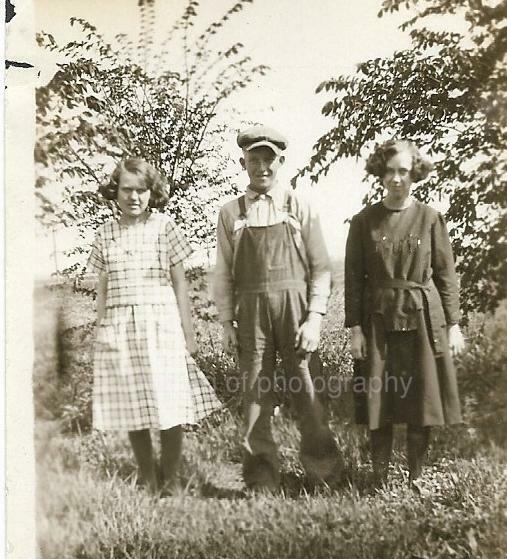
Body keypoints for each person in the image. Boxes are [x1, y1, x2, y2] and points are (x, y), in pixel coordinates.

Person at [214, 124, 342, 492]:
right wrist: (226, 322)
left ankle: (324, 474)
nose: (262, 167)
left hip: (296, 311)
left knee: (307, 390)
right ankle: (261, 480)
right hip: (251, 314)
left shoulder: (298, 207)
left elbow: (320, 268)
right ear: (243, 163)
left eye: (269, 160)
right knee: (255, 395)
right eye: (254, 160)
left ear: (280, 161)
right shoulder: (230, 213)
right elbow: (223, 272)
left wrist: (315, 318)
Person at [87, 156, 221, 496]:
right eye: (126, 190)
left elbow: (180, 284)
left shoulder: (164, 227)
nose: (134, 197)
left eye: (141, 190)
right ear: (114, 191)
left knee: (168, 401)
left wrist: (188, 333)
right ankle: (148, 478)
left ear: (152, 192)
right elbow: (101, 289)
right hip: (120, 327)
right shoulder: (105, 234)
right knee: (134, 405)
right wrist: (100, 331)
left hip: (160, 323)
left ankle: (171, 479)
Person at [344, 138, 465, 493]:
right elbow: (353, 278)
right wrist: (355, 329)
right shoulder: (363, 221)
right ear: (380, 174)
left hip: (422, 315)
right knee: (379, 396)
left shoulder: (430, 218)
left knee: (421, 398)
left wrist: (454, 325)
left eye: (403, 171)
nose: (397, 179)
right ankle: (379, 477)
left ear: (415, 173)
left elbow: (446, 275)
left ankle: (416, 477)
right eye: (390, 171)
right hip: (377, 318)